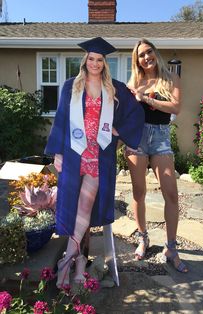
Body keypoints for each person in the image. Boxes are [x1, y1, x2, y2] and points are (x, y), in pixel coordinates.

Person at [45, 37, 145, 288]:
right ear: (85, 60)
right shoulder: (71, 86)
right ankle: (76, 262)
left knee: (85, 209)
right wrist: (57, 152)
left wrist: (118, 130)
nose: (95, 63)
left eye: (100, 59)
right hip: (73, 153)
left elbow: (135, 111)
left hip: (98, 155)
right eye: (91, 58)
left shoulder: (114, 88)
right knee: (73, 208)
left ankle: (68, 260)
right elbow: (60, 119)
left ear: (105, 63)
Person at [126, 38, 188, 273]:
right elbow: (126, 111)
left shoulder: (171, 78)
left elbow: (175, 108)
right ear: (137, 60)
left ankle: (171, 247)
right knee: (138, 192)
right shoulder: (135, 81)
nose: (146, 57)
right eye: (141, 55)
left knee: (171, 193)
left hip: (161, 138)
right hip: (137, 138)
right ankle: (143, 238)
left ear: (155, 52)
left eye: (149, 52)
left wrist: (148, 99)